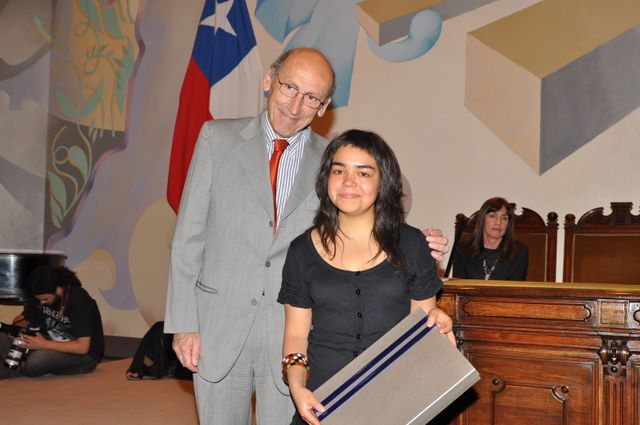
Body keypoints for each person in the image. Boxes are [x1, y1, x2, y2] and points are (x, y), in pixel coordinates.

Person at [165, 47, 450, 425]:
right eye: (290, 88)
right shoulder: (216, 139)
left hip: (294, 335)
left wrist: (418, 242)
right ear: (270, 80)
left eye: (312, 97)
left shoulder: (332, 161)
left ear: (324, 107)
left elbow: (367, 210)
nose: (296, 105)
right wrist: (184, 324)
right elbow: (189, 237)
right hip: (218, 327)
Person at [278, 129, 456, 425]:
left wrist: (436, 318)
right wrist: (297, 388)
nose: (349, 182)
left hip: (394, 401)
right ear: (326, 179)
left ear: (383, 181)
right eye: (339, 170)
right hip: (323, 401)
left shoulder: (412, 244)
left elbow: (423, 321)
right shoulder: (301, 250)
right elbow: (296, 336)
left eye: (363, 173)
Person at [0, 265, 104, 379]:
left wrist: (44, 344)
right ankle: (14, 377)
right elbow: (22, 320)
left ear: (59, 289)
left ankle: (18, 374)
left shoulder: (78, 299)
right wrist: (17, 329)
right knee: (3, 337)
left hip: (83, 356)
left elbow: (82, 347)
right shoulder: (40, 294)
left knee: (37, 360)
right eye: (39, 299)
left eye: (45, 299)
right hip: (50, 342)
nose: (42, 302)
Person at [452, 197, 528, 280]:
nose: (498, 223)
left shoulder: (519, 252)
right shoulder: (463, 250)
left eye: (504, 218)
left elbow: (516, 287)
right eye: (492, 216)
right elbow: (459, 286)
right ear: (482, 220)